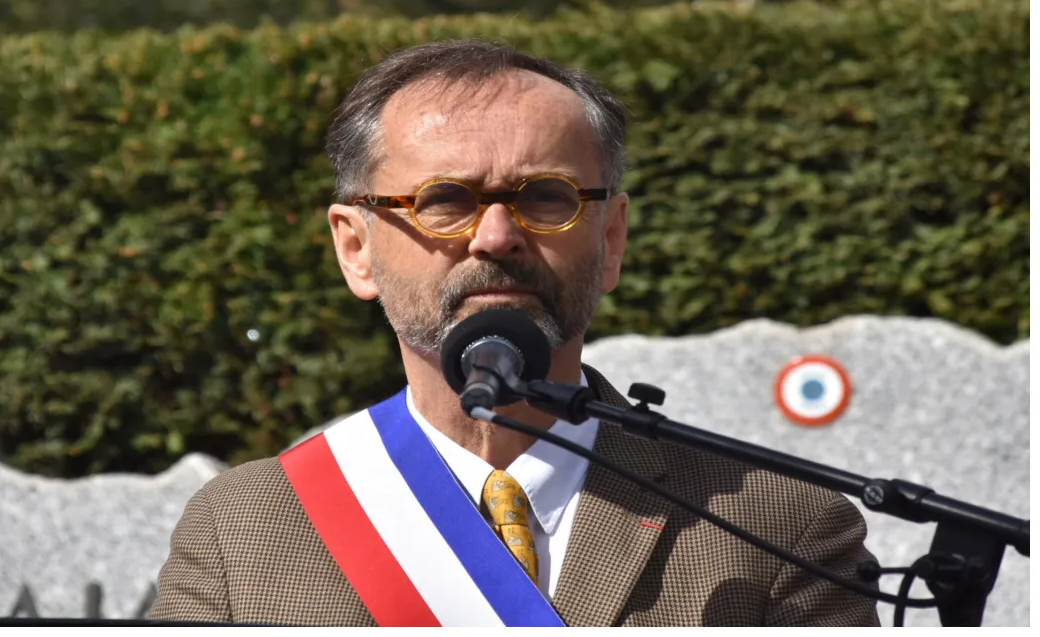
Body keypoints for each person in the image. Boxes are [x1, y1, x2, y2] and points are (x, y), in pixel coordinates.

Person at [148, 39, 881, 626]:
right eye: (445, 200)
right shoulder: (243, 531)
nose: (496, 236)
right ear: (355, 249)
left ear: (613, 238)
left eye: (546, 197)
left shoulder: (775, 526)